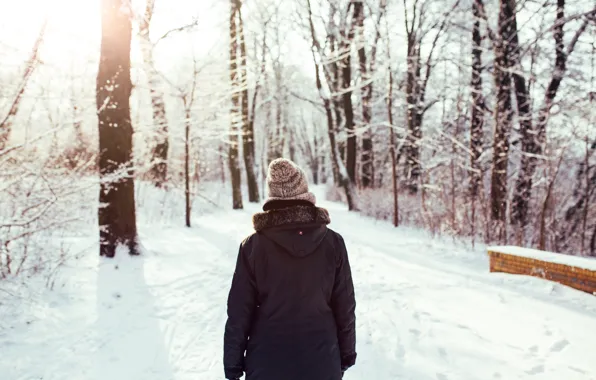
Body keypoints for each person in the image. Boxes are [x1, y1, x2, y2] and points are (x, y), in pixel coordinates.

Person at [223, 158, 357, 380]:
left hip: (266, 364)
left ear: (272, 196)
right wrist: (346, 355)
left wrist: (233, 364)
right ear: (304, 191)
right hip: (322, 362)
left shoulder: (253, 246)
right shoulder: (333, 242)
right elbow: (345, 305)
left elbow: (239, 310)